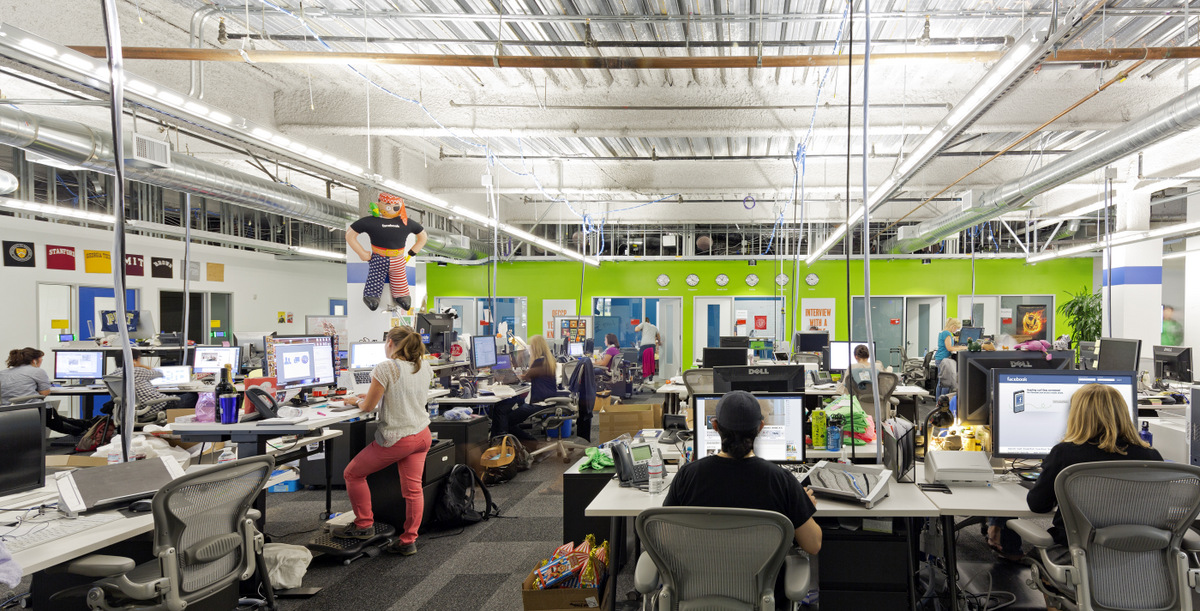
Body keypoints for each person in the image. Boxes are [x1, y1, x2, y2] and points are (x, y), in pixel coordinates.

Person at [665, 390, 821, 608]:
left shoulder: (687, 476)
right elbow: (813, 545)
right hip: (762, 601)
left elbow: (667, 541)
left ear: (715, 426)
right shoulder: (780, 480)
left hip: (695, 598)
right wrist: (801, 508)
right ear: (761, 428)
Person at [333, 326, 434, 555]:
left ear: (390, 343)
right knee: (413, 490)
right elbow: (402, 393)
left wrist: (354, 401)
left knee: (353, 473)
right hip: (422, 435)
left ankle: (364, 525)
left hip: (398, 438)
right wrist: (368, 397)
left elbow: (369, 406)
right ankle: (408, 540)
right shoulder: (423, 365)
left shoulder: (386, 367)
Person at [1025, 383, 1162, 547]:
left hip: (1078, 554)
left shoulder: (1064, 453)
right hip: (1141, 554)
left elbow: (1038, 505)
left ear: (1077, 415)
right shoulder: (1151, 456)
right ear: (1123, 413)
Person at [1, 347, 91, 435]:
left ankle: (86, 424)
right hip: (33, 410)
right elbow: (45, 392)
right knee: (55, 420)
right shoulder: (37, 371)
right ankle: (84, 432)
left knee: (56, 418)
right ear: (34, 360)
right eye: (41, 359)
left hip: (9, 411)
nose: (41, 361)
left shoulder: (3, 373)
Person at [110, 348, 190, 419]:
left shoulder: (112, 376)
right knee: (195, 396)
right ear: (134, 361)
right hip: (157, 406)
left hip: (138, 409)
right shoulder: (136, 371)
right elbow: (159, 373)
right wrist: (140, 365)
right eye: (139, 359)